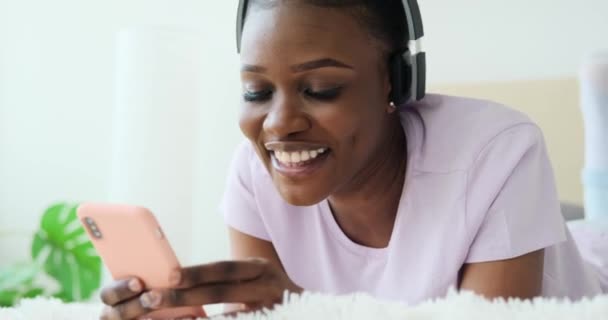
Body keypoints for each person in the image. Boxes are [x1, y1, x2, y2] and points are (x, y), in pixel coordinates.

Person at [98, 1, 604, 319]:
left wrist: (304, 308)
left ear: (395, 81)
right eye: (256, 91)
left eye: (321, 88)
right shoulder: (254, 172)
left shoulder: (500, 149)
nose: (277, 124)